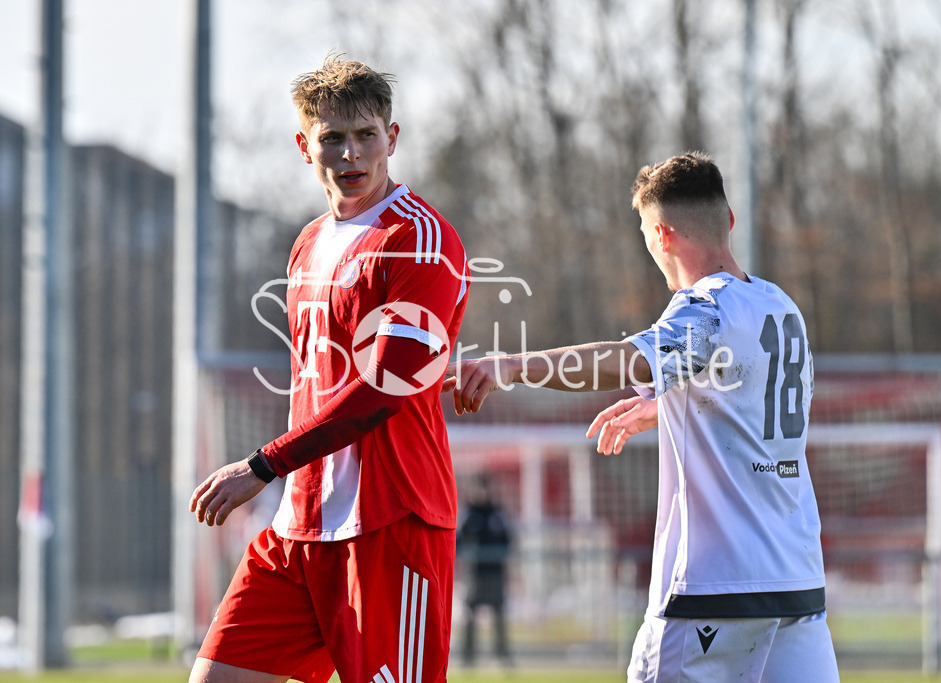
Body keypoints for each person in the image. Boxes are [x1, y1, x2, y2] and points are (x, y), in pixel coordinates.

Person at [447, 153, 839, 682]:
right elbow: (753, 399)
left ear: (660, 235)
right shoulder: (779, 305)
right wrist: (664, 409)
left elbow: (626, 359)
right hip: (797, 582)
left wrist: (513, 366)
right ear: (728, 219)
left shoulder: (706, 307)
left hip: (715, 588)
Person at [188, 56, 470, 683]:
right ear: (304, 146)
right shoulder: (308, 243)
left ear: (392, 138)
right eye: (332, 138)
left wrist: (263, 465)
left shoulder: (419, 238)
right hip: (300, 524)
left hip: (390, 522)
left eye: (366, 135)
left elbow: (386, 388)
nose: (351, 153)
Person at [456, 473, 513, 667]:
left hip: (495, 574)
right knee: (470, 615)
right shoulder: (469, 515)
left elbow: (508, 541)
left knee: (499, 614)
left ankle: (502, 656)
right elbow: (458, 542)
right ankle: (468, 657)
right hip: (475, 575)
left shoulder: (498, 514)